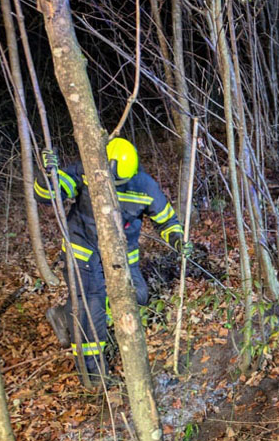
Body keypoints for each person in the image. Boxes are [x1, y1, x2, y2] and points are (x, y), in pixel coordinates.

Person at [35, 137, 191, 382]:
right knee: (92, 307)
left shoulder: (145, 186)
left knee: (138, 295)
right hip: (84, 253)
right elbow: (46, 195)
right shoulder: (85, 171)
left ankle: (65, 314)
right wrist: (48, 174)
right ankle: (95, 376)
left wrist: (177, 241)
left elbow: (167, 220)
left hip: (122, 259)